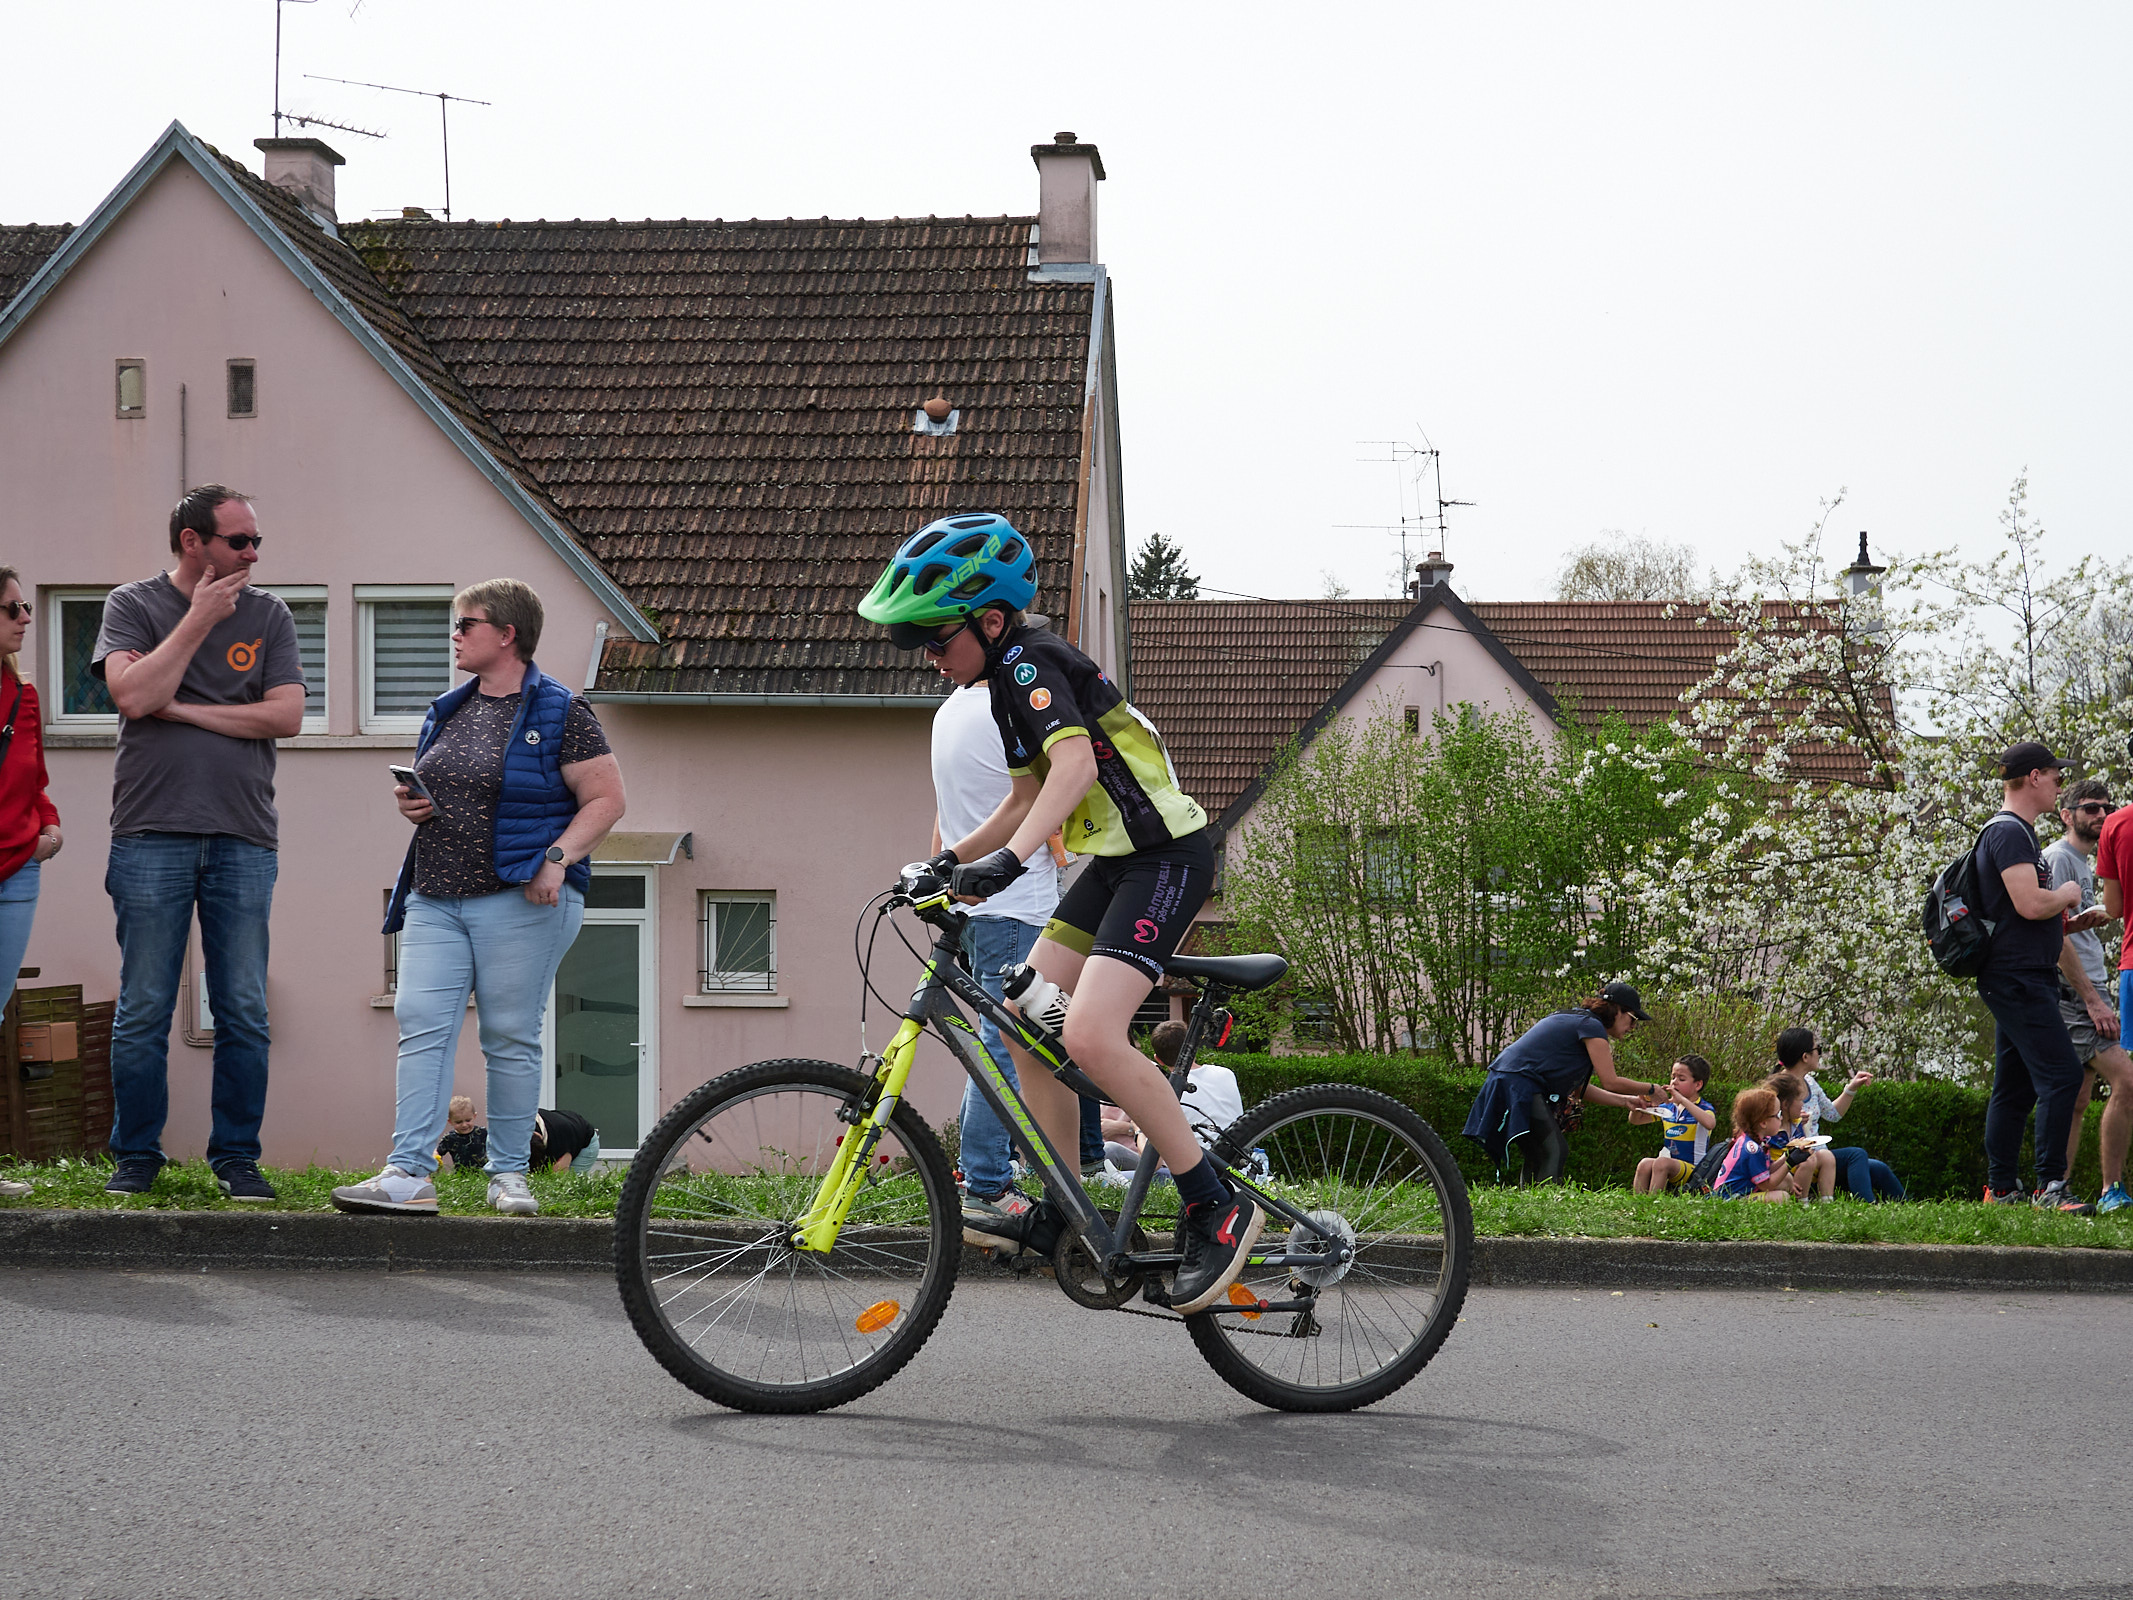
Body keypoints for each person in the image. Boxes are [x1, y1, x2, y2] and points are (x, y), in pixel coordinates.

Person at [858, 512, 1253, 1316]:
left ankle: (1214, 1203)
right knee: (1019, 1018)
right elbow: (1024, 798)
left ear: (989, 621)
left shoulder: (1031, 663)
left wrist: (1006, 863)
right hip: (1115, 864)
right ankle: (1069, 1201)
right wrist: (948, 861)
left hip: (1165, 859)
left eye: (935, 640)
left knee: (1090, 1035)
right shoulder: (1000, 686)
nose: (929, 658)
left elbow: (1073, 767)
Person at [331, 580, 625, 1220]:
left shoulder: (562, 712)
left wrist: (557, 859)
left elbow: (607, 800)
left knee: (509, 1036)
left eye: (467, 623)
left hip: (519, 898)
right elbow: (452, 788)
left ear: (507, 634)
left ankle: (510, 1176)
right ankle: (408, 1174)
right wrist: (416, 804)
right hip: (435, 895)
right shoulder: (450, 707)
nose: (455, 634)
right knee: (420, 1023)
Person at [93, 486, 307, 1202]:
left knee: (243, 1007)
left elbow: (286, 715)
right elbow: (132, 696)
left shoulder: (270, 614)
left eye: (256, 541)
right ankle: (136, 1156)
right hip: (150, 833)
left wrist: (180, 707)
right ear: (193, 542)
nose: (253, 555)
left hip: (244, 835)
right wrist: (197, 620)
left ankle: (237, 1158)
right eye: (239, 541)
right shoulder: (132, 604)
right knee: (144, 1006)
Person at [926, 638, 1082, 1212]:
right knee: (1011, 1047)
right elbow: (1043, 797)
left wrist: (941, 875)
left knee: (1005, 1042)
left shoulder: (948, 713)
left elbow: (945, 814)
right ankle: (986, 1183)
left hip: (971, 905)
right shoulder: (1009, 710)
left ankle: (990, 1173)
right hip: (1017, 902)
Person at [1971, 744, 2096, 1213]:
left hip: (2021, 974)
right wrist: (2066, 894)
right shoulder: (2009, 833)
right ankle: (2050, 1187)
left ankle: (2001, 1189)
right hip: (2017, 977)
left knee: (2016, 1086)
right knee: (2063, 1075)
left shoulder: (2014, 832)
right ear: (2035, 777)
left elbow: (2021, 914)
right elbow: (2028, 903)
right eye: (2057, 777)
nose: (2060, 786)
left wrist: (2066, 922)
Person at [1461, 982, 1665, 1185]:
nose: (1633, 1027)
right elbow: (1611, 1081)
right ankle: (1547, 1203)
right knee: (1554, 1150)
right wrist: (1651, 1088)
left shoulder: (1577, 1019)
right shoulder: (1592, 1026)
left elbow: (1579, 1089)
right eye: (1633, 1018)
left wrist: (1625, 1101)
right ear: (1617, 1010)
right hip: (1520, 1083)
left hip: (1507, 1080)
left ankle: (1531, 1201)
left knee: (1538, 1152)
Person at [2044, 779, 2133, 1213]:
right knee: (2127, 1079)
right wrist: (2092, 1000)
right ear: (2066, 815)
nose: (2101, 815)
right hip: (2076, 992)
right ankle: (2111, 1188)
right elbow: (2052, 935)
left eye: (2105, 808)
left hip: (2091, 985)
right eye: (2090, 808)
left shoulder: (2084, 861)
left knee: (2078, 1097)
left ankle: (2055, 1187)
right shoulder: (2058, 858)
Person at [0, 567, 60, 1201]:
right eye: (12, 608)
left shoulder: (24, 695)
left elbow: (34, 779)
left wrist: (49, 825)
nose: (25, 617)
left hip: (18, 871)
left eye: (26, 607)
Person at [1773, 1029, 1904, 1202]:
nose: (1819, 1054)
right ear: (1805, 1057)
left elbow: (1832, 1114)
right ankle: (1866, 1206)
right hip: (1799, 1160)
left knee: (1878, 1168)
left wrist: (1852, 1088)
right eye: (1817, 1049)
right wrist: (1791, 1120)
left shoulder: (1810, 1082)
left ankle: (1909, 1208)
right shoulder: (1778, 1086)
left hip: (1822, 1156)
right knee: (1856, 1155)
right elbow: (1766, 1124)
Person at [1101, 1019, 1245, 1172]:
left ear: (1158, 1059)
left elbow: (1152, 1163)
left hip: (1194, 1174)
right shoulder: (1226, 1074)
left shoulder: (1163, 1091)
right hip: (1239, 1169)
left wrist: (1139, 1129)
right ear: (1194, 1047)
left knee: (1110, 1152)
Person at [1629, 1054, 1714, 1193]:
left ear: (1698, 1085)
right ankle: (1638, 1203)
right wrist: (1640, 1103)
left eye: (1681, 1079)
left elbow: (1710, 1123)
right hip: (1669, 1165)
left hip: (1695, 1170)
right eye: (1673, 1077)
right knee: (1645, 1164)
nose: (1674, 1082)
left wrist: (1682, 1100)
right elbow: (1635, 1120)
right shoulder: (1668, 1108)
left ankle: (1654, 1202)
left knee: (1662, 1162)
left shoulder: (1703, 1108)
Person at [1711, 1085, 1791, 1201]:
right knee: (1782, 1197)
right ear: (1763, 1123)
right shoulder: (1752, 1149)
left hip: (1744, 1191)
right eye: (1778, 1115)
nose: (1782, 1118)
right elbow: (1766, 1185)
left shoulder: (1755, 1140)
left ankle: (1802, 1202)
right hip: (1731, 1199)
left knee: (1787, 1179)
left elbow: (1767, 1169)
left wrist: (1788, 1155)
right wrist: (1790, 1163)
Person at [1766, 1073, 1837, 1201]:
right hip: (1781, 1173)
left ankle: (1827, 1201)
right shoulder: (1771, 1130)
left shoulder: (1797, 1123)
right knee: (1807, 1160)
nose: (1802, 1104)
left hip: (1797, 1168)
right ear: (1786, 1105)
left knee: (1826, 1156)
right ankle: (1801, 1202)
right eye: (1799, 1100)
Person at [529, 1107, 599, 1174]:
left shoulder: (558, 1143)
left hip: (584, 1142)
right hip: (562, 1124)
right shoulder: (524, 1125)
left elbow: (560, 1175)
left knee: (568, 1179)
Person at [434, 1095, 488, 1172]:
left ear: (474, 1116)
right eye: (458, 1122)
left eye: (468, 1120)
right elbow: (438, 1152)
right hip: (461, 1174)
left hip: (484, 1172)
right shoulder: (449, 1139)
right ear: (450, 1121)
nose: (464, 1125)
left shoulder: (482, 1133)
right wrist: (436, 1160)